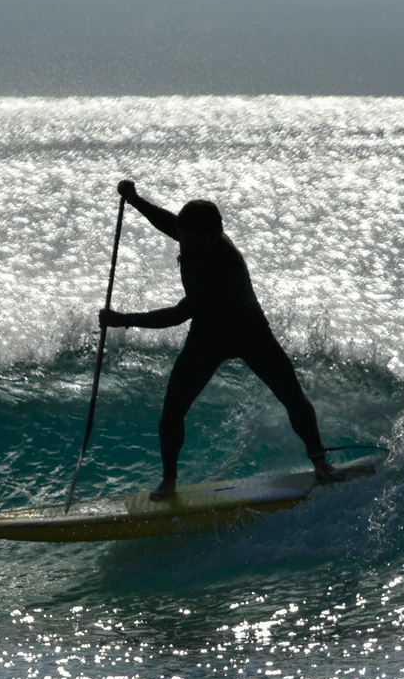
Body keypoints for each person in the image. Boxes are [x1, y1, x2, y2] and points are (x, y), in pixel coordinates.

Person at [98, 179, 338, 501]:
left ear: (214, 237)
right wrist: (135, 199)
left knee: (292, 397)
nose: (183, 244)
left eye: (191, 240)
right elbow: (168, 222)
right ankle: (169, 482)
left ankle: (320, 462)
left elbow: (180, 314)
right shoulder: (191, 234)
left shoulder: (225, 267)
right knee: (171, 412)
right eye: (182, 237)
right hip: (207, 336)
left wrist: (124, 320)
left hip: (249, 333)